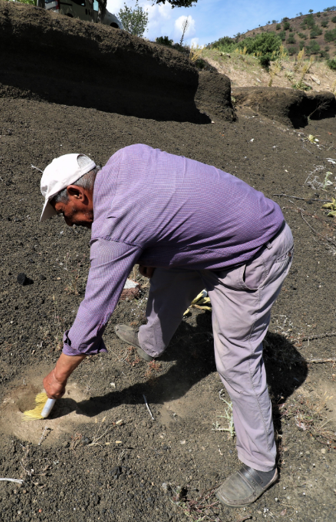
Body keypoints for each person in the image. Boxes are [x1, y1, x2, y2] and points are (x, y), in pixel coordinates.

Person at [38, 144, 293, 507]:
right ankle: (152, 343)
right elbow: (170, 206)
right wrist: (152, 252)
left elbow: (95, 309)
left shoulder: (113, 226)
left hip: (255, 251)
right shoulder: (126, 158)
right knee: (167, 276)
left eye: (65, 212)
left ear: (79, 193)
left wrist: (59, 375)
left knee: (237, 360)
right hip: (225, 233)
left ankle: (261, 465)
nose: (69, 223)